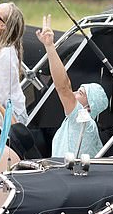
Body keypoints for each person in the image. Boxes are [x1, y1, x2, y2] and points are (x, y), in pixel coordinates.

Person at [36, 14, 108, 158]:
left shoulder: (82, 119)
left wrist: (50, 47)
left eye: (80, 93)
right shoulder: (84, 123)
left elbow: (63, 87)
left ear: (88, 107)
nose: (74, 93)